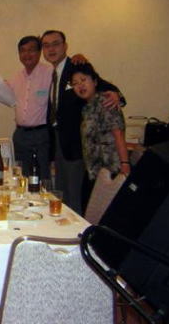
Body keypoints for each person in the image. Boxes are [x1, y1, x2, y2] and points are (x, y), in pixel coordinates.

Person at [42, 30, 124, 214]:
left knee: (75, 196)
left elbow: (102, 85)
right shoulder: (52, 73)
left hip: (76, 144)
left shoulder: (76, 65)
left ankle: (77, 229)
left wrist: (116, 95)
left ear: (65, 46)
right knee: (61, 192)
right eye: (46, 46)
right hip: (59, 142)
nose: (51, 49)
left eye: (55, 44)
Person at [71, 63, 130, 207]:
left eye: (83, 80)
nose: (80, 86)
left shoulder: (106, 102)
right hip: (94, 170)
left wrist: (125, 165)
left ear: (95, 81)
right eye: (75, 83)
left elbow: (118, 134)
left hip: (111, 169)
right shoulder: (86, 108)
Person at [8, 36, 52, 179]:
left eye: (31, 50)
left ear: (39, 52)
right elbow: (0, 89)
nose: (27, 54)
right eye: (23, 51)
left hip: (41, 135)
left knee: (42, 176)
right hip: (20, 135)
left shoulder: (50, 73)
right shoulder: (16, 77)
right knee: (22, 176)